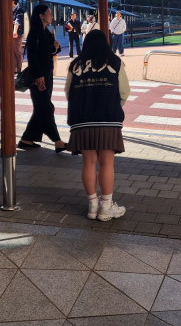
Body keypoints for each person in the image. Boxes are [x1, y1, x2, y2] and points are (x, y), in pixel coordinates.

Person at [66, 29, 129, 221]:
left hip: (82, 120)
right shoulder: (115, 62)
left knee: (89, 162)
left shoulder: (75, 65)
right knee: (107, 162)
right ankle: (106, 208)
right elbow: (124, 92)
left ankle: (93, 206)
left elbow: (69, 93)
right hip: (108, 118)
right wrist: (113, 105)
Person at [18, 4, 67, 153]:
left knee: (41, 107)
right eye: (48, 13)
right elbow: (32, 57)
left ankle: (27, 139)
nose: (51, 15)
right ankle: (58, 141)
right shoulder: (35, 33)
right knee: (46, 107)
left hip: (47, 73)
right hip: (38, 75)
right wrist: (38, 76)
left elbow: (51, 51)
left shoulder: (46, 32)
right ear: (41, 16)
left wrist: (56, 46)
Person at [12, 0, 25, 74]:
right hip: (10, 33)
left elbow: (18, 21)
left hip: (17, 34)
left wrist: (15, 31)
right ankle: (14, 70)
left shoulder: (19, 10)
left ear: (13, 1)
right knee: (12, 52)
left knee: (17, 51)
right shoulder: (9, 11)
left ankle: (19, 69)